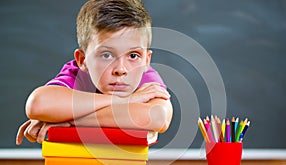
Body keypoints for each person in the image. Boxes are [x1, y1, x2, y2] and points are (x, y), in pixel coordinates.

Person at [16, 0, 173, 145]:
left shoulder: (146, 78)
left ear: (146, 60)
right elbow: (38, 105)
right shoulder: (75, 75)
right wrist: (129, 100)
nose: (121, 69)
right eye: (106, 55)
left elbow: (158, 117)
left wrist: (69, 120)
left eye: (133, 55)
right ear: (82, 60)